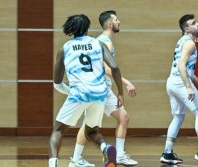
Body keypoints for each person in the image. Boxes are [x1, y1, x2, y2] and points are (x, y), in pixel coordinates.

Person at [49, 14, 124, 167]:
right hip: (99, 94)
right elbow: (114, 68)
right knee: (91, 132)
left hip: (79, 95)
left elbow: (57, 82)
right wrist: (120, 92)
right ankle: (106, 147)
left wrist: (69, 91)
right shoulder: (98, 44)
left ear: (71, 28)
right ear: (87, 27)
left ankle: (53, 165)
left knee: (57, 130)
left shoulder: (65, 48)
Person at [63, 11, 137, 166]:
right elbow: (108, 68)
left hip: (99, 88)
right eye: (117, 20)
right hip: (100, 89)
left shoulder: (102, 41)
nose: (119, 22)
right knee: (94, 124)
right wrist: (126, 82)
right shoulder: (105, 42)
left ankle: (81, 159)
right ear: (110, 24)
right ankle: (79, 159)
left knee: (120, 118)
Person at [160, 14, 198, 165]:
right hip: (180, 83)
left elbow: (187, 69)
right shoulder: (190, 44)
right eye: (194, 23)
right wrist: (188, 87)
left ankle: (167, 153)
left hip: (172, 82)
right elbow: (181, 66)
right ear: (187, 29)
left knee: (178, 117)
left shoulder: (182, 41)